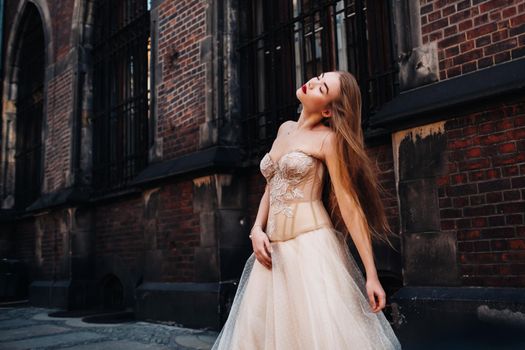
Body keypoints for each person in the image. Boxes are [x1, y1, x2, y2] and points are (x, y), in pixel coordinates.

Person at [211, 71, 402, 349]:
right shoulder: (284, 129)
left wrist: (371, 275)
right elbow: (271, 185)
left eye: (321, 87)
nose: (312, 82)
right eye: (318, 77)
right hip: (273, 253)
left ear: (327, 109)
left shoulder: (328, 140)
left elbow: (349, 205)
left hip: (310, 250)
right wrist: (256, 229)